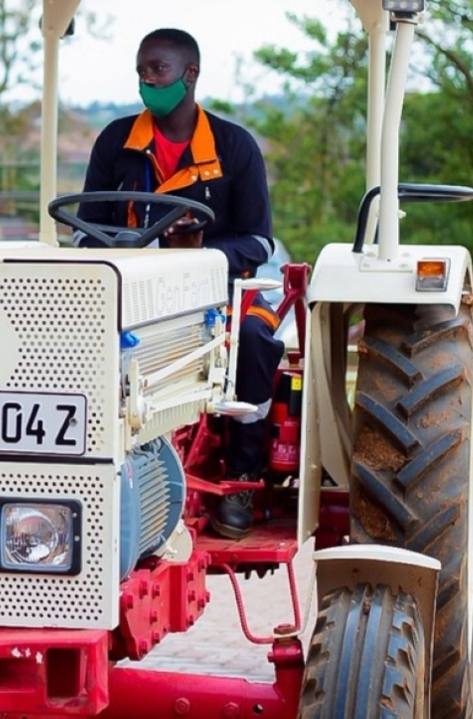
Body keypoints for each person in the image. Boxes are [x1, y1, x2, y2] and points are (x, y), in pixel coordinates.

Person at [76, 28, 284, 539]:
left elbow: (259, 241)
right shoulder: (117, 143)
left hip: (219, 295)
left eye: (158, 70)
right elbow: (88, 232)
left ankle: (240, 475)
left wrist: (203, 251)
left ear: (189, 75)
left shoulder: (235, 148)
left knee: (255, 340)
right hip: (140, 299)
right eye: (142, 70)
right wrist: (136, 246)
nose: (148, 81)